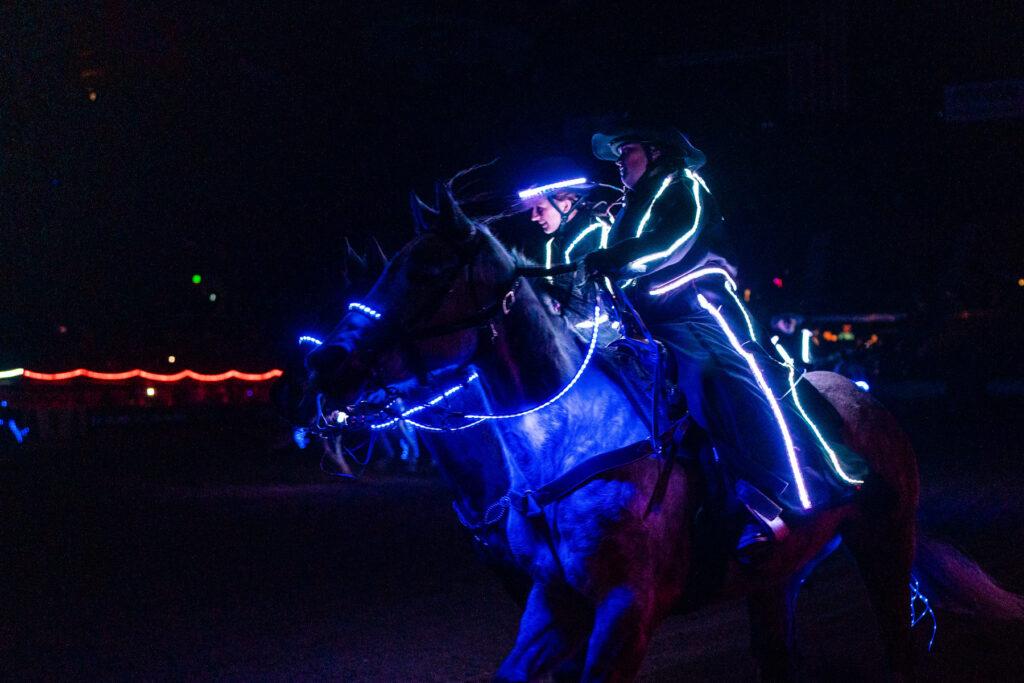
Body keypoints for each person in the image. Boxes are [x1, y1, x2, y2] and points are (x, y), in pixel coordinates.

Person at [585, 123, 866, 559]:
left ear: (656, 153)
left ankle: (773, 494)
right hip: (645, 320)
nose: (620, 162)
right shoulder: (628, 207)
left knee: (714, 379)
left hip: (698, 312)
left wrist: (617, 256)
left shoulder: (685, 187)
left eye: (628, 151)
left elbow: (674, 241)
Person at [516, 160, 614, 313]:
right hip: (569, 332)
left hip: (603, 334)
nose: (533, 217)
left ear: (566, 206)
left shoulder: (593, 232)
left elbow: (586, 306)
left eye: (540, 209)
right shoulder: (553, 244)